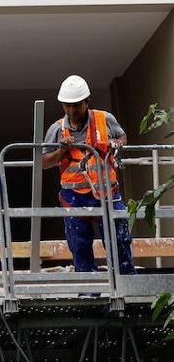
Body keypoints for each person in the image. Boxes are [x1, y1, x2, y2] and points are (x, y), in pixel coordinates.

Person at [40, 74, 135, 275]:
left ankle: (126, 284)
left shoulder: (104, 119)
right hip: (75, 197)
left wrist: (117, 143)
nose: (72, 110)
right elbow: (44, 163)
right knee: (79, 243)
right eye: (67, 106)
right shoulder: (57, 129)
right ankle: (89, 291)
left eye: (76, 105)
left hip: (107, 192)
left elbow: (122, 136)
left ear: (86, 102)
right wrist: (62, 151)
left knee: (119, 240)